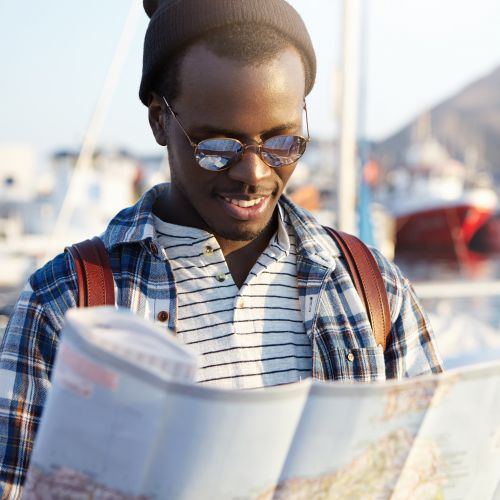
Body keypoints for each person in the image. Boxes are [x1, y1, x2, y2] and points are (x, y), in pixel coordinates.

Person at [0, 0, 443, 496]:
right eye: (217, 148)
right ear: (159, 122)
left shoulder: (373, 289)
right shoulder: (67, 303)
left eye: (282, 144)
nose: (253, 174)